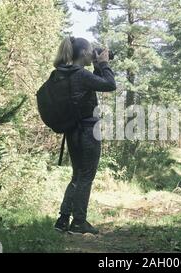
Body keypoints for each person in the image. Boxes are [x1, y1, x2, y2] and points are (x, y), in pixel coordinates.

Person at [53, 36, 116, 235]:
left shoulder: (67, 73)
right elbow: (109, 84)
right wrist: (104, 64)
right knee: (86, 176)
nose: (93, 53)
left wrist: (98, 66)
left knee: (77, 175)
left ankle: (63, 220)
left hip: (73, 132)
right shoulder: (80, 74)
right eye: (90, 51)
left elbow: (95, 83)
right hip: (88, 131)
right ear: (83, 53)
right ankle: (79, 222)